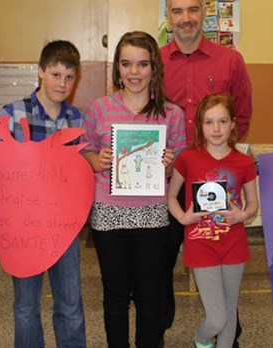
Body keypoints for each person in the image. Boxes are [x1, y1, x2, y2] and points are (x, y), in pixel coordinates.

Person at [0, 40, 87, 348]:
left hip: (64, 227)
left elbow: (84, 170)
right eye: (55, 74)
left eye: (69, 76)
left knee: (70, 303)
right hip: (22, 228)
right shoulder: (12, 115)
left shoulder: (77, 120)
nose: (61, 83)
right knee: (25, 306)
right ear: (40, 72)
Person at [81, 31, 186, 348]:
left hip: (153, 215)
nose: (134, 72)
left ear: (154, 67)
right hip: (109, 215)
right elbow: (84, 149)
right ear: (118, 68)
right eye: (126, 64)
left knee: (149, 293)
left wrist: (168, 165)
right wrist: (95, 160)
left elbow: (180, 163)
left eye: (142, 64)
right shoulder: (100, 108)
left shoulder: (172, 114)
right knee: (114, 293)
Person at [159, 0, 253, 345]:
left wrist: (221, 160)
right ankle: (160, 328)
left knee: (225, 258)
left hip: (215, 180)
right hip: (169, 178)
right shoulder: (154, 62)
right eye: (178, 11)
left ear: (205, 14)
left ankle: (227, 337)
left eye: (193, 9)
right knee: (162, 260)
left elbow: (241, 115)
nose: (186, 18)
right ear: (168, 17)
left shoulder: (230, 60)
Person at [167, 94, 258, 348]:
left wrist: (241, 214)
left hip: (234, 246)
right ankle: (200, 339)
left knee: (228, 315)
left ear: (232, 124)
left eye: (222, 121)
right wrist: (183, 218)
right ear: (200, 126)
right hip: (201, 245)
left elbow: (253, 204)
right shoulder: (187, 158)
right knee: (217, 318)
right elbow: (171, 196)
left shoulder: (244, 162)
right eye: (209, 122)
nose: (216, 129)